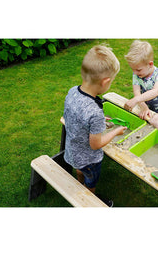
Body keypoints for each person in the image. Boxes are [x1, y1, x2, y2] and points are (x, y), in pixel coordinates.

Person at [63, 45, 127, 207]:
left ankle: (79, 183)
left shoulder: (72, 91)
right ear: (105, 82)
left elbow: (76, 116)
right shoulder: (95, 112)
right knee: (91, 182)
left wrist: (97, 121)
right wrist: (116, 132)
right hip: (89, 160)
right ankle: (89, 200)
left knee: (79, 170)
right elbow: (95, 144)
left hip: (72, 150)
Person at [124, 40, 158, 119]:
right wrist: (144, 108)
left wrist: (136, 100)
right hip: (143, 106)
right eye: (132, 69)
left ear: (150, 64)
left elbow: (155, 92)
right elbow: (137, 93)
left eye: (138, 69)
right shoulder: (137, 74)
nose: (135, 72)